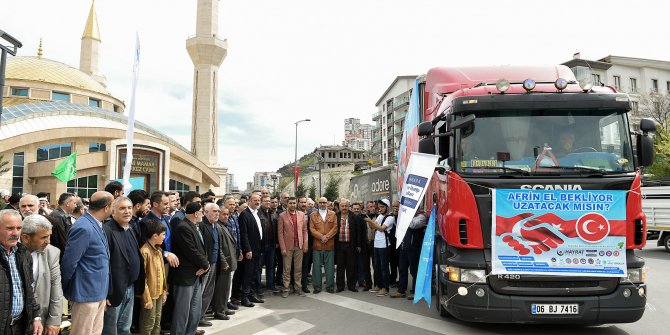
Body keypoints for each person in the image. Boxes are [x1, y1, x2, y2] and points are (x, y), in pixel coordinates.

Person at [61, 191, 114, 335]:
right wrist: (66, 287)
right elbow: (69, 262)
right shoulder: (83, 227)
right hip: (85, 293)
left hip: (98, 292)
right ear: (106, 207)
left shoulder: (96, 223)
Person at [102, 197, 143, 335]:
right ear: (113, 212)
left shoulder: (130, 227)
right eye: (122, 208)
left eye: (129, 208)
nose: (127, 211)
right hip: (114, 290)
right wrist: (106, 292)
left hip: (130, 287)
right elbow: (104, 265)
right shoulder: (107, 230)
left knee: (125, 328)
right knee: (110, 329)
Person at [0, 209, 43, 335]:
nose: (15, 233)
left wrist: (35, 317)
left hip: (21, 326)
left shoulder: (23, 253)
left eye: (19, 228)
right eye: (10, 228)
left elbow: (28, 289)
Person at [170, 202, 209, 335]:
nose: (203, 214)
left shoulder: (194, 226)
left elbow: (201, 250)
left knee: (195, 309)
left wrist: (204, 265)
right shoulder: (183, 227)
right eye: (202, 212)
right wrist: (206, 265)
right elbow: (191, 251)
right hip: (185, 276)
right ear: (196, 214)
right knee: (183, 311)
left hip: (196, 274)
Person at [20, 214, 63, 335]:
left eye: (49, 236)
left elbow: (56, 287)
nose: (48, 241)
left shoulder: (52, 252)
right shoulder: (12, 252)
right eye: (43, 237)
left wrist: (54, 320)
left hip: (41, 317)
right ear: (25, 238)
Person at [198, 203, 225, 327]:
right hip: (205, 264)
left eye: (218, 211)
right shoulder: (202, 225)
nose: (217, 214)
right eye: (214, 211)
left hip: (214, 262)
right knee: (202, 291)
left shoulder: (215, 225)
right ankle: (198, 317)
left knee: (209, 290)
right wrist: (204, 263)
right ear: (206, 212)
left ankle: (201, 315)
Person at [139, 219, 167, 335]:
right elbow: (143, 278)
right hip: (149, 295)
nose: (164, 237)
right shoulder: (145, 251)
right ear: (155, 236)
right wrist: (147, 299)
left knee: (157, 322)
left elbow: (162, 273)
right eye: (163, 235)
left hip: (159, 293)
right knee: (148, 324)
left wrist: (165, 291)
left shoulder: (159, 251)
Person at [391, 211, 427, 299]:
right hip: (403, 247)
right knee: (402, 269)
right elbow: (397, 225)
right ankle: (401, 290)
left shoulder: (421, 217)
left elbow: (413, 225)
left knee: (414, 271)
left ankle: (416, 292)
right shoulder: (404, 216)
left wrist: (405, 217)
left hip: (414, 248)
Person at [277, 197, 308, 297]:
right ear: (287, 204)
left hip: (299, 246)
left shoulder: (302, 215)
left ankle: (297, 288)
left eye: (294, 203)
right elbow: (280, 233)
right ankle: (286, 288)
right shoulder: (282, 216)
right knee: (287, 269)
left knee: (298, 269)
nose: (292, 205)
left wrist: (305, 244)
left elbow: (304, 231)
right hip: (287, 246)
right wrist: (283, 248)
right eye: (290, 203)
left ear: (297, 204)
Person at [237, 194, 264, 307]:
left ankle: (252, 295)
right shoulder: (245, 214)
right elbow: (244, 234)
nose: (257, 202)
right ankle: (245, 297)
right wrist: (248, 249)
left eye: (258, 200)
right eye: (255, 200)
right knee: (248, 274)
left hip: (257, 249)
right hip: (250, 250)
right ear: (249, 201)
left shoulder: (257, 214)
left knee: (254, 273)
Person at [364, 198, 395, 297]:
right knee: (377, 266)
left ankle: (385, 288)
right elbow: (373, 227)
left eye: (382, 207)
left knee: (384, 267)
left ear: (387, 207)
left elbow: (381, 229)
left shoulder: (390, 218)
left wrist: (370, 221)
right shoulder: (380, 216)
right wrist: (368, 220)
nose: (379, 209)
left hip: (385, 245)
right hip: (376, 244)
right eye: (379, 207)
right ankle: (379, 285)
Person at [212, 206, 237, 320]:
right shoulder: (217, 227)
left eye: (227, 214)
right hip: (224, 263)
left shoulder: (224, 226)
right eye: (223, 214)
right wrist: (224, 263)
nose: (226, 216)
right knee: (221, 289)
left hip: (230, 261)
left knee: (226, 288)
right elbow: (219, 248)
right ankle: (219, 311)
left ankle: (224, 307)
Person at [309, 197, 337, 294]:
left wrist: (327, 237)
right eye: (320, 202)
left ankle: (330, 286)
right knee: (316, 267)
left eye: (324, 202)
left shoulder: (333, 214)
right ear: (317, 203)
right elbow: (311, 229)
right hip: (317, 245)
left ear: (327, 203)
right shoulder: (313, 215)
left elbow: (335, 227)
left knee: (330, 268)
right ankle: (317, 287)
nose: (322, 204)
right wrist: (321, 237)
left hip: (329, 245)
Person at [335, 198, 361, 292]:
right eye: (342, 206)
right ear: (339, 206)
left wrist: (358, 244)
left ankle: (351, 285)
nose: (344, 207)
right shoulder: (335, 216)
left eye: (346, 205)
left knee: (351, 266)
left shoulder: (354, 216)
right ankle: (340, 286)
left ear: (349, 206)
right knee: (340, 267)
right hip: (339, 245)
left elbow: (358, 232)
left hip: (351, 245)